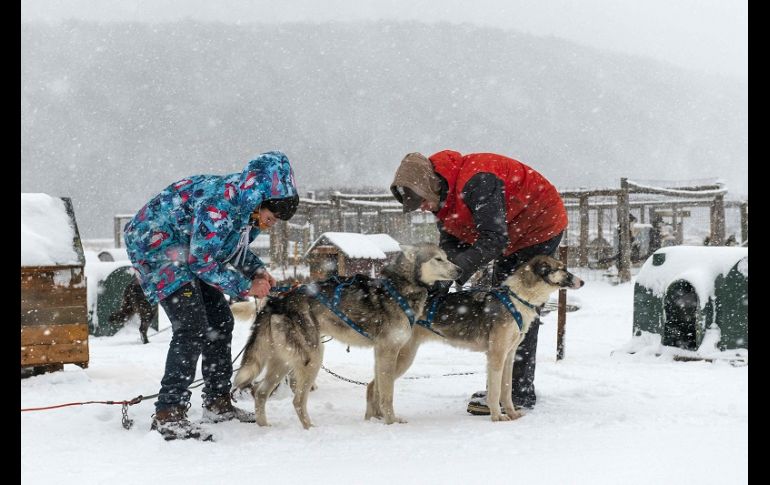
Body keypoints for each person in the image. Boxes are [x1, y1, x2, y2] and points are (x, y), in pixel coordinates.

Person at [124, 150, 300, 441]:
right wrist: (245, 288)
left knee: (220, 322)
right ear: (259, 200)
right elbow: (203, 261)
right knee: (191, 327)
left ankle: (218, 403)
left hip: (189, 252)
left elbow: (231, 250)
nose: (272, 223)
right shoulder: (220, 204)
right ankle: (169, 413)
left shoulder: (247, 215)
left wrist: (256, 271)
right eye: (273, 216)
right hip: (158, 249)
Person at [390, 150, 567, 414]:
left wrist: (458, 271)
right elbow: (451, 244)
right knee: (501, 308)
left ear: (429, 185)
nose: (424, 209)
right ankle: (502, 389)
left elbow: (494, 239)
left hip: (537, 225)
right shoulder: (443, 197)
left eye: (422, 202)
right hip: (510, 232)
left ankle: (517, 393)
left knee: (512, 309)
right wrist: (439, 282)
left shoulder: (477, 182)